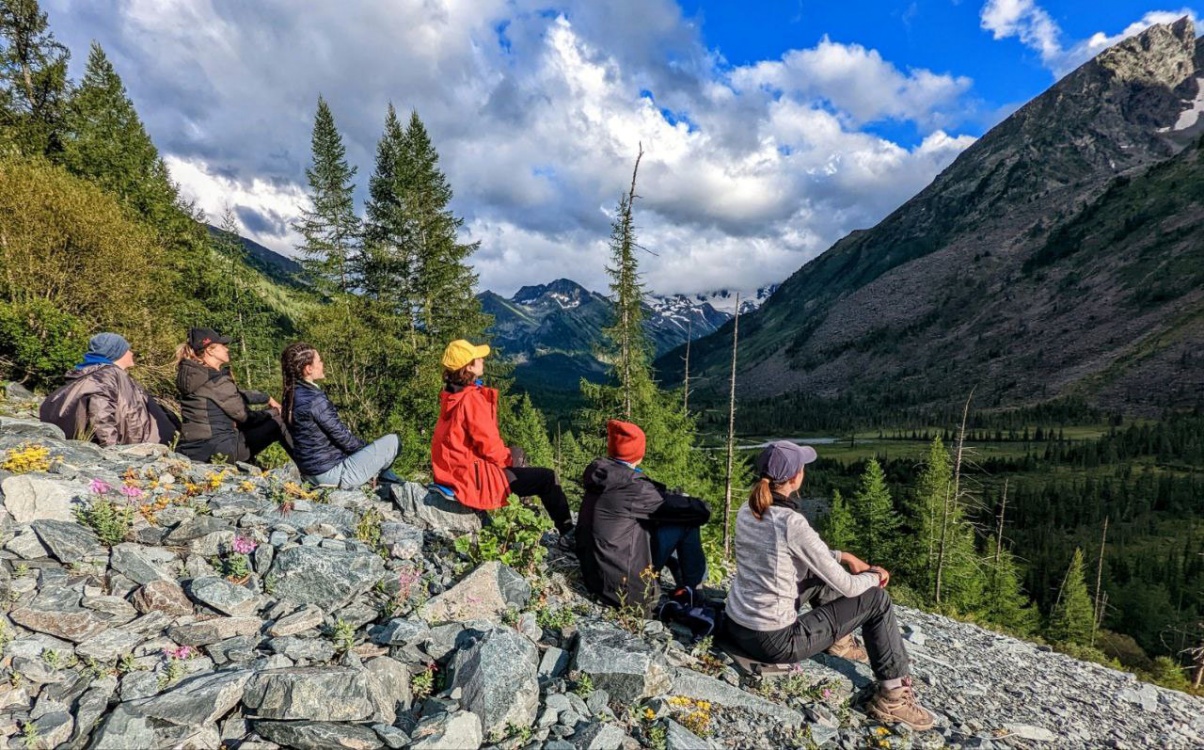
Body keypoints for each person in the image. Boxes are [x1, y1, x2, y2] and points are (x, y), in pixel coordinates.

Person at [720, 441, 935, 731]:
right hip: (774, 642)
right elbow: (846, 586)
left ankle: (839, 642)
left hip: (737, 626)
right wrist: (874, 574)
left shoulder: (749, 509)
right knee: (877, 600)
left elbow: (787, 553)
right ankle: (893, 697)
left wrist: (844, 556)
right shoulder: (791, 522)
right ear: (796, 478)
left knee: (819, 575)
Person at [431, 339, 575, 546]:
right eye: (477, 358)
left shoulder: (451, 395)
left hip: (455, 470)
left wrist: (510, 456)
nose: (482, 359)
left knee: (516, 452)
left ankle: (519, 503)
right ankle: (568, 533)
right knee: (547, 478)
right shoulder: (470, 400)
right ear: (468, 367)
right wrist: (508, 459)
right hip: (472, 479)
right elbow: (489, 445)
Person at [577, 419, 711, 616]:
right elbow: (698, 511)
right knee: (686, 522)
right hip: (627, 590)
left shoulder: (603, 475)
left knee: (665, 521)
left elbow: (644, 503)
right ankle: (693, 592)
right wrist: (692, 502)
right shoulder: (633, 486)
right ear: (638, 453)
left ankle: (686, 587)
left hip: (596, 575)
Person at [281, 342, 400, 489]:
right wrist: (366, 449)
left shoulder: (290, 394)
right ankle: (387, 482)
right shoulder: (315, 400)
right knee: (393, 442)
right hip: (331, 474)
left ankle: (387, 480)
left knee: (373, 456)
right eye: (319, 361)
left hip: (311, 472)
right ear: (308, 369)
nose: (322, 363)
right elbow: (342, 437)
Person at [39, 333, 175, 447]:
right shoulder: (107, 375)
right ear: (116, 352)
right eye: (127, 349)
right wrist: (111, 448)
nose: (132, 353)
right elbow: (100, 413)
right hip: (128, 449)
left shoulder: (99, 374)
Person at [175, 327, 284, 464]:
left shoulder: (196, 376)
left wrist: (266, 397)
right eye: (223, 345)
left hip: (191, 450)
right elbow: (246, 417)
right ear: (210, 350)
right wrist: (275, 412)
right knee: (282, 422)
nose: (227, 349)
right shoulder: (215, 380)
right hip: (219, 450)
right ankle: (315, 472)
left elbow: (233, 394)